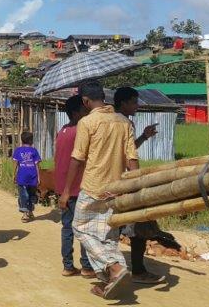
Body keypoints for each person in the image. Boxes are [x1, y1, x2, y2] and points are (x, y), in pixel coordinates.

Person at [58, 80, 138, 299]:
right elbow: (132, 157)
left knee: (80, 227)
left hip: (93, 186)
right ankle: (113, 276)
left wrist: (66, 191)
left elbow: (77, 158)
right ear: (104, 96)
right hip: (118, 187)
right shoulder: (124, 122)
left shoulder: (87, 122)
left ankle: (113, 267)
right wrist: (132, 187)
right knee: (108, 235)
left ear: (85, 101)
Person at [113, 87, 164, 285]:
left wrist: (143, 137)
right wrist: (136, 181)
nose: (137, 105)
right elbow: (129, 156)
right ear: (123, 103)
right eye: (134, 102)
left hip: (111, 180)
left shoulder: (110, 122)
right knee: (138, 228)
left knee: (112, 226)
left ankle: (102, 267)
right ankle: (138, 270)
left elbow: (126, 149)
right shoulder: (125, 123)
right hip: (125, 181)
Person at [55, 94, 94, 278]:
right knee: (84, 227)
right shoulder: (81, 130)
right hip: (76, 186)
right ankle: (86, 266)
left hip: (63, 187)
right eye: (85, 109)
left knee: (67, 227)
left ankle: (67, 266)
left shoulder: (63, 130)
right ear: (78, 112)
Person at [12, 131, 41, 222]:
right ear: (31, 141)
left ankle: (25, 214)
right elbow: (37, 166)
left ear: (22, 140)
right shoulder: (34, 151)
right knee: (31, 194)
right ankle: (30, 211)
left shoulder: (18, 150)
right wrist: (39, 177)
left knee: (23, 195)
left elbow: (15, 164)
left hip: (22, 176)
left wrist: (14, 174)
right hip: (33, 176)